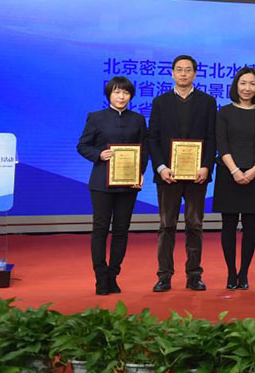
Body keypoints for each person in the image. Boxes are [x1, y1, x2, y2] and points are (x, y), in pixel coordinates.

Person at [148, 55, 217, 292]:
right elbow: (153, 138)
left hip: (197, 175)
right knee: (167, 225)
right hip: (168, 175)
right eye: (179, 69)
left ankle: (194, 275)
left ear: (195, 73)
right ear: (172, 73)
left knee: (194, 225)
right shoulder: (160, 102)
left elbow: (212, 137)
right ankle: (164, 276)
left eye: (188, 70)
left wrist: (206, 166)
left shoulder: (207, 102)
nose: (184, 73)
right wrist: (161, 167)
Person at [77, 76, 147, 295]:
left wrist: (140, 172)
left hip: (128, 183)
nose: (121, 96)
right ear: (109, 94)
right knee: (100, 229)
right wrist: (99, 154)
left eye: (125, 93)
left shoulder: (138, 119)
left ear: (131, 96)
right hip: (101, 183)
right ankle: (100, 277)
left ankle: (113, 275)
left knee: (121, 230)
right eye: (117, 92)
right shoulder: (96, 117)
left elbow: (144, 149)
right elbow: (82, 146)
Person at [213, 67, 255, 290]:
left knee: (250, 226)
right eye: (243, 83)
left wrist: (254, 169)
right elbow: (222, 144)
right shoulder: (224, 112)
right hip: (228, 174)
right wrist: (235, 170)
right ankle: (231, 272)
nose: (247, 88)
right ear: (236, 85)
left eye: (252, 84)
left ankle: (244, 273)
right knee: (228, 225)